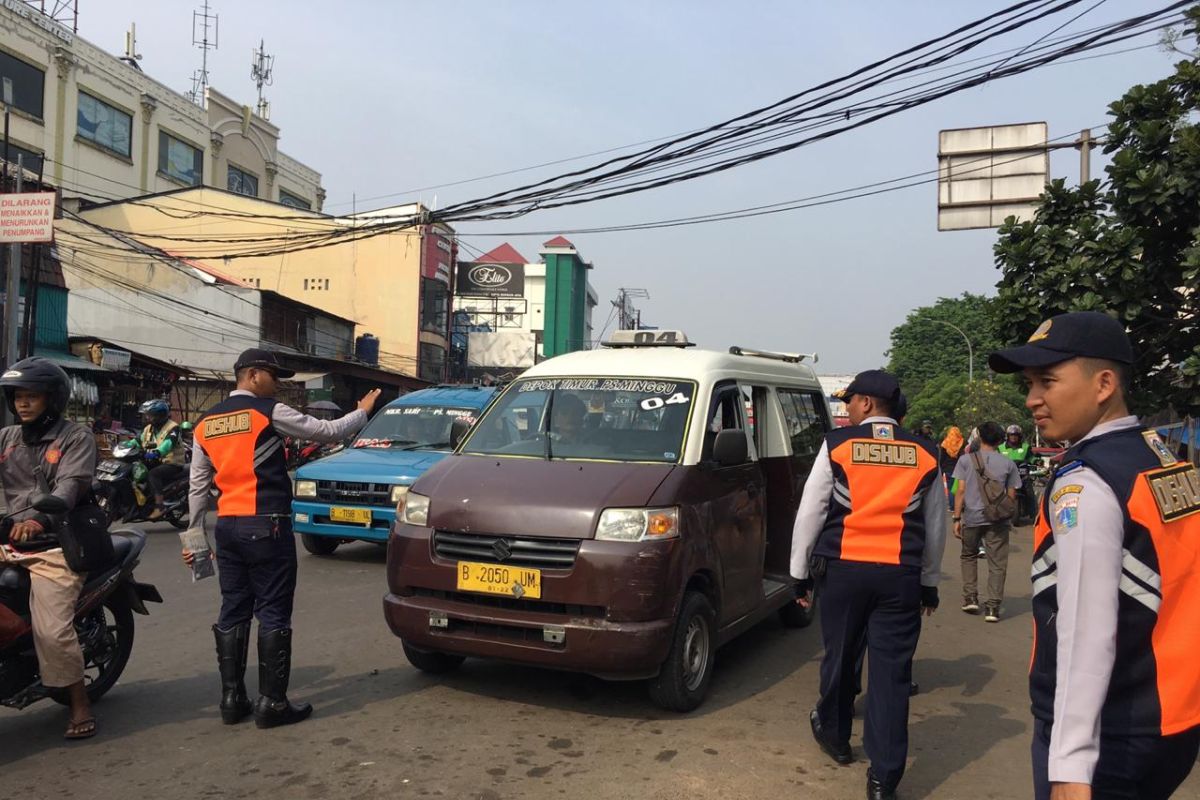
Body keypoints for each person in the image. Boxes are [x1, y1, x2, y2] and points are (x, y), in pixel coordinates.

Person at [989, 311, 1200, 800]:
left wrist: (1070, 763)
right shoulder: (1161, 458)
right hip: (1173, 719)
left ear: (1103, 383)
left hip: (1112, 733)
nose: (1032, 400)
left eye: (1047, 381)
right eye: (1028, 383)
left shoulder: (1087, 481)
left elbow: (1085, 627)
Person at [185, 349, 381, 729]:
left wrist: (194, 540)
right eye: (274, 376)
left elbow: (196, 486)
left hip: (227, 527)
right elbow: (328, 432)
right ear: (253, 375)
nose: (278, 384)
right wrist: (363, 410)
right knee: (273, 611)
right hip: (267, 524)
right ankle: (272, 703)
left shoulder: (205, 423)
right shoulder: (266, 411)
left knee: (233, 610)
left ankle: (232, 699)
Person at [790, 370, 946, 800]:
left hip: (844, 571)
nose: (845, 407)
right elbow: (934, 529)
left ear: (868, 404)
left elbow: (811, 512)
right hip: (900, 577)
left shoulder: (838, 445)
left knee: (839, 656)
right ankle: (884, 777)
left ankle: (836, 737)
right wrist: (929, 583)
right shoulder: (926, 452)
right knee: (892, 676)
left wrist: (798, 573)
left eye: (850, 400)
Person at [0, 357, 99, 739]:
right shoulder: (7, 438)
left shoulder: (75, 437)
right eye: (18, 397)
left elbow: (70, 486)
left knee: (52, 632)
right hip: (9, 540)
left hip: (52, 545)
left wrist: (38, 520)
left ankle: (78, 703)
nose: (23, 404)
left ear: (52, 399)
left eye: (32, 397)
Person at [951, 421, 1021, 622]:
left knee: (969, 555)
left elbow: (961, 491)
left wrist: (957, 518)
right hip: (997, 519)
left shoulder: (965, 460)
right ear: (1000, 440)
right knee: (997, 563)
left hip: (972, 517)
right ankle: (992, 607)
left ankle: (971, 597)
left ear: (979, 437)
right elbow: (1011, 494)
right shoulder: (1008, 463)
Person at [138, 398, 185, 521]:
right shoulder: (149, 428)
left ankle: (160, 506)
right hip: (155, 461)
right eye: (147, 415)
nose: (147, 418)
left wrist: (157, 453)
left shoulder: (173, 427)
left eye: (150, 416)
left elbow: (168, 444)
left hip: (172, 463)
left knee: (153, 474)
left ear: (159, 416)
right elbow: (138, 440)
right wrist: (125, 445)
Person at [999, 424, 1037, 523]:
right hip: (1005, 476)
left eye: (1016, 435)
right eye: (1011, 435)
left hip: (1023, 476)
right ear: (1008, 436)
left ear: (1020, 436)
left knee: (1030, 494)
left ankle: (1034, 514)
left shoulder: (1026, 447)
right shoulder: (1001, 447)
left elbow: (1031, 458)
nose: (1014, 437)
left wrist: (1037, 461)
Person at [940, 426, 965, 510]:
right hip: (959, 468)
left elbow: (942, 458)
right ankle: (960, 505)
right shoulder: (961, 442)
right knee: (959, 487)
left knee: (951, 488)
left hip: (948, 468)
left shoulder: (945, 443)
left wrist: (941, 469)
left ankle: (952, 506)